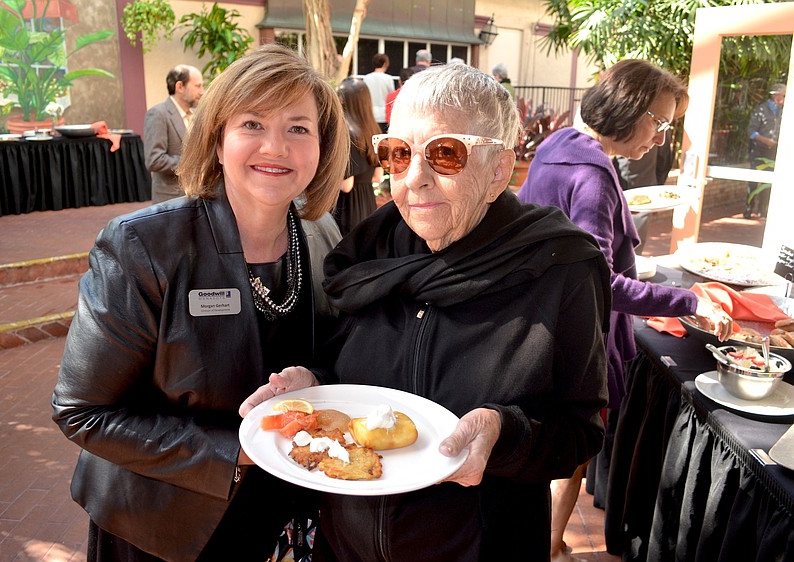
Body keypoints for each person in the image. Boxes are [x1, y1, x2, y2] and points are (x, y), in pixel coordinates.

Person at [242, 63, 614, 561]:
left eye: (444, 154)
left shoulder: (560, 267)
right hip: (346, 542)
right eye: (398, 154)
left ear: (498, 170)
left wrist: (506, 436)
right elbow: (343, 364)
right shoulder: (368, 253)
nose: (415, 179)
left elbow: (581, 428)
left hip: (478, 545)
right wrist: (314, 383)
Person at [51, 44, 350, 562]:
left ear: (322, 147)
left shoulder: (323, 234)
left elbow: (339, 351)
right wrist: (237, 449)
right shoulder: (144, 246)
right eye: (252, 124)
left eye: (298, 128)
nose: (275, 147)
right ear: (217, 140)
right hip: (163, 525)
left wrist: (318, 381)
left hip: (280, 513)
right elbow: (82, 411)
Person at [517, 59, 734, 562]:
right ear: (627, 108)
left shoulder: (557, 145)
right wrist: (690, 300)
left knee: (544, 450)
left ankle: (540, 539)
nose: (660, 139)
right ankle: (549, 547)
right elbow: (600, 284)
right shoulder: (593, 175)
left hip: (537, 323)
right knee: (570, 455)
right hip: (575, 340)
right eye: (659, 123)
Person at [144, 64, 205, 203]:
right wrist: (192, 163)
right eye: (198, 86)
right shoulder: (158, 114)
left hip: (198, 197)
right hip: (171, 200)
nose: (202, 91)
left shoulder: (197, 115)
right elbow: (155, 160)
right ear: (179, 87)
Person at [335, 77, 382, 235]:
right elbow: (377, 177)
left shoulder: (346, 134)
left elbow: (346, 185)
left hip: (347, 209)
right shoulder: (374, 131)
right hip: (368, 204)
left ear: (342, 100)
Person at [614, 128, 673, 253]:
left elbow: (664, 159)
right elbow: (664, 160)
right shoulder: (661, 122)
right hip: (634, 192)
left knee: (629, 251)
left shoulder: (661, 125)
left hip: (641, 193)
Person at [744, 83, 786, 219]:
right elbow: (750, 131)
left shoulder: (785, 111)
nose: (786, 99)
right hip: (759, 151)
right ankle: (749, 209)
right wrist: (765, 140)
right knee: (753, 181)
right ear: (776, 96)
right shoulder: (761, 109)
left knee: (768, 182)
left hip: (774, 152)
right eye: (784, 95)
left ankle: (763, 210)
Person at [361, 53, 396, 133]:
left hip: (370, 114)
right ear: (385, 63)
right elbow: (391, 97)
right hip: (384, 114)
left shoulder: (367, 78)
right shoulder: (388, 78)